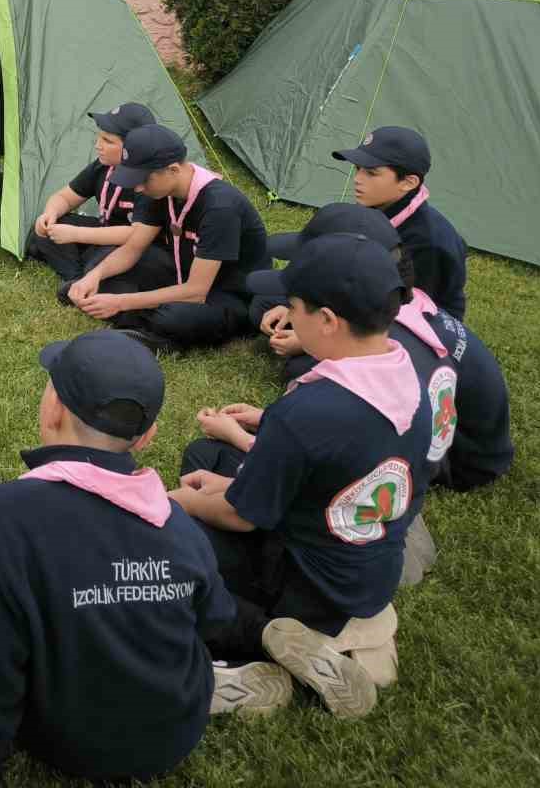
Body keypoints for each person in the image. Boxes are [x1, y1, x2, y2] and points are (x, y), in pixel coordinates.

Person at [0, 332, 237, 788]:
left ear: (53, 408)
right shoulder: (177, 524)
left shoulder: (8, 513)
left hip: (69, 741)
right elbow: (215, 619)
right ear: (148, 436)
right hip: (176, 733)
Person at [169, 234, 433, 717]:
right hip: (367, 572)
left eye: (293, 307)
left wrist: (177, 505)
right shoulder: (409, 378)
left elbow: (241, 517)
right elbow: (323, 477)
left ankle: (269, 643)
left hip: (305, 582)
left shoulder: (311, 410)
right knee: (210, 459)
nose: (287, 316)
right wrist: (234, 486)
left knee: (167, 550)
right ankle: (362, 634)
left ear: (328, 320)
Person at [246, 204, 510, 494]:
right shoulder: (398, 307)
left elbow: (341, 452)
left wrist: (253, 436)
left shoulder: (384, 363)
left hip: (459, 462)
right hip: (462, 440)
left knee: (305, 369)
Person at [66, 124, 270, 353]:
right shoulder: (161, 191)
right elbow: (133, 248)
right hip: (181, 273)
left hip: (227, 294)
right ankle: (132, 313)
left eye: (143, 179)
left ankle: (156, 334)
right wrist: (94, 276)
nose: (138, 188)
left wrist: (121, 301)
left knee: (174, 318)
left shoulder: (220, 208)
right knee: (102, 271)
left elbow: (196, 291)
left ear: (173, 170)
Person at [333, 126, 467, 318]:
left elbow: (403, 313)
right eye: (357, 168)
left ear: (408, 182)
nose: (357, 179)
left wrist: (310, 332)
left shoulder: (429, 243)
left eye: (371, 173)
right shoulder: (377, 206)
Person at [26, 101, 160, 284]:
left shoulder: (151, 181)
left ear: (133, 147)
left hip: (132, 245)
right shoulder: (103, 166)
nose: (98, 145)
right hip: (102, 230)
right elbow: (65, 197)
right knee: (49, 227)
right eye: (99, 138)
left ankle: (80, 273)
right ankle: (76, 277)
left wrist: (76, 234)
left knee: (104, 259)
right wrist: (50, 214)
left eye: (108, 141)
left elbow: (136, 235)